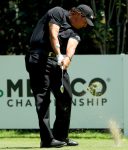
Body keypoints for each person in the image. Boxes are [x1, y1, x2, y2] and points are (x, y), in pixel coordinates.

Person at [25, 4, 94, 148]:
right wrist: (58, 55)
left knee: (66, 97)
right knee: (43, 100)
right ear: (78, 15)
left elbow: (72, 46)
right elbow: (53, 34)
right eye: (85, 21)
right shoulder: (58, 12)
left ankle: (61, 136)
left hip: (56, 62)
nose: (85, 25)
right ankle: (47, 140)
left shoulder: (76, 31)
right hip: (39, 58)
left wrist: (67, 59)